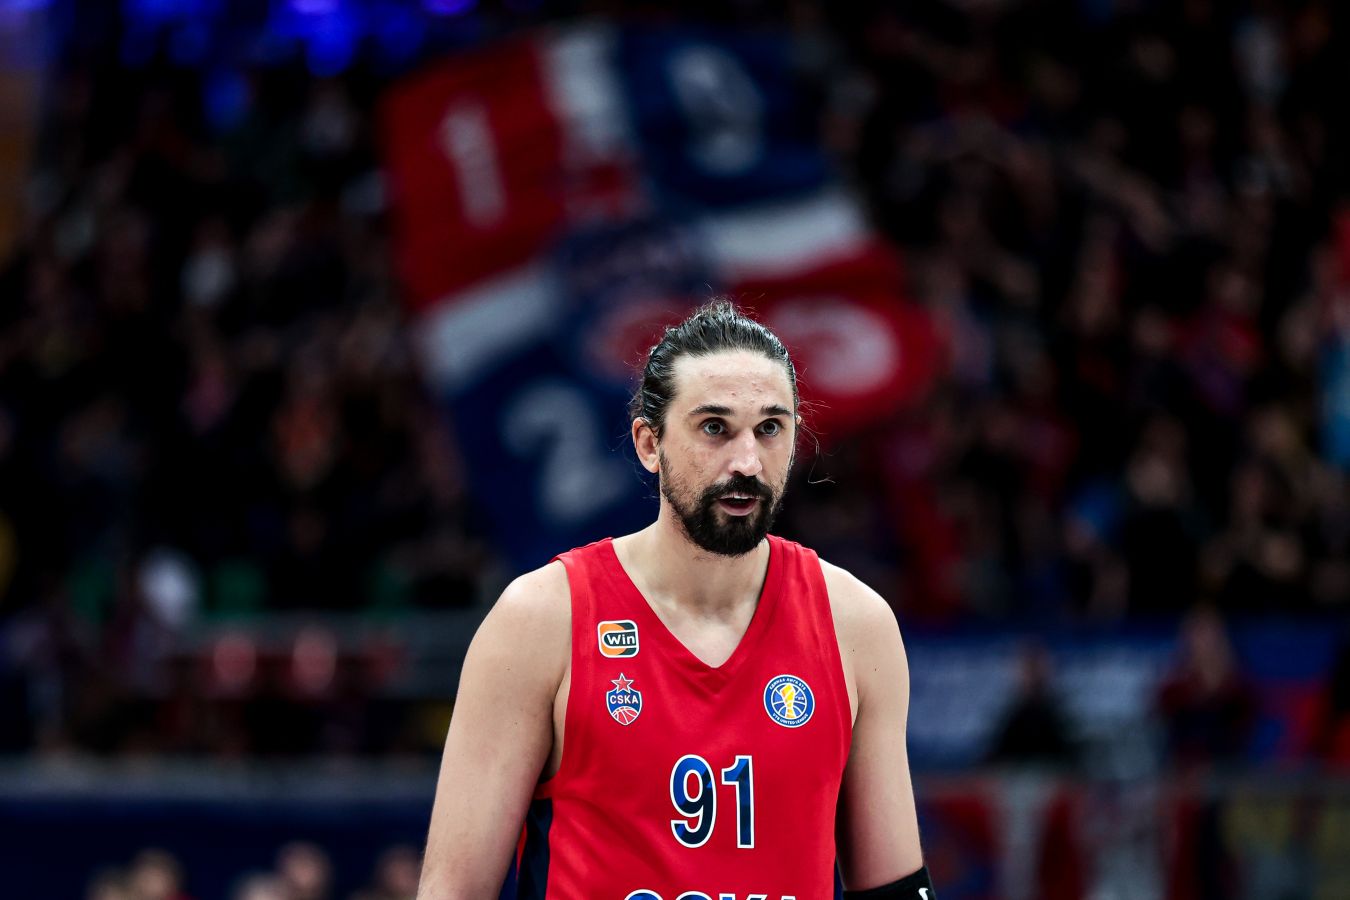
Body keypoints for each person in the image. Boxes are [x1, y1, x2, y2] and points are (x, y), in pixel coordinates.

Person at [417, 301, 932, 900]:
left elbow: (896, 892)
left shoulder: (857, 624)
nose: (746, 462)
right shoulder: (541, 619)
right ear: (648, 443)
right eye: (714, 428)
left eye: (770, 429)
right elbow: (453, 890)